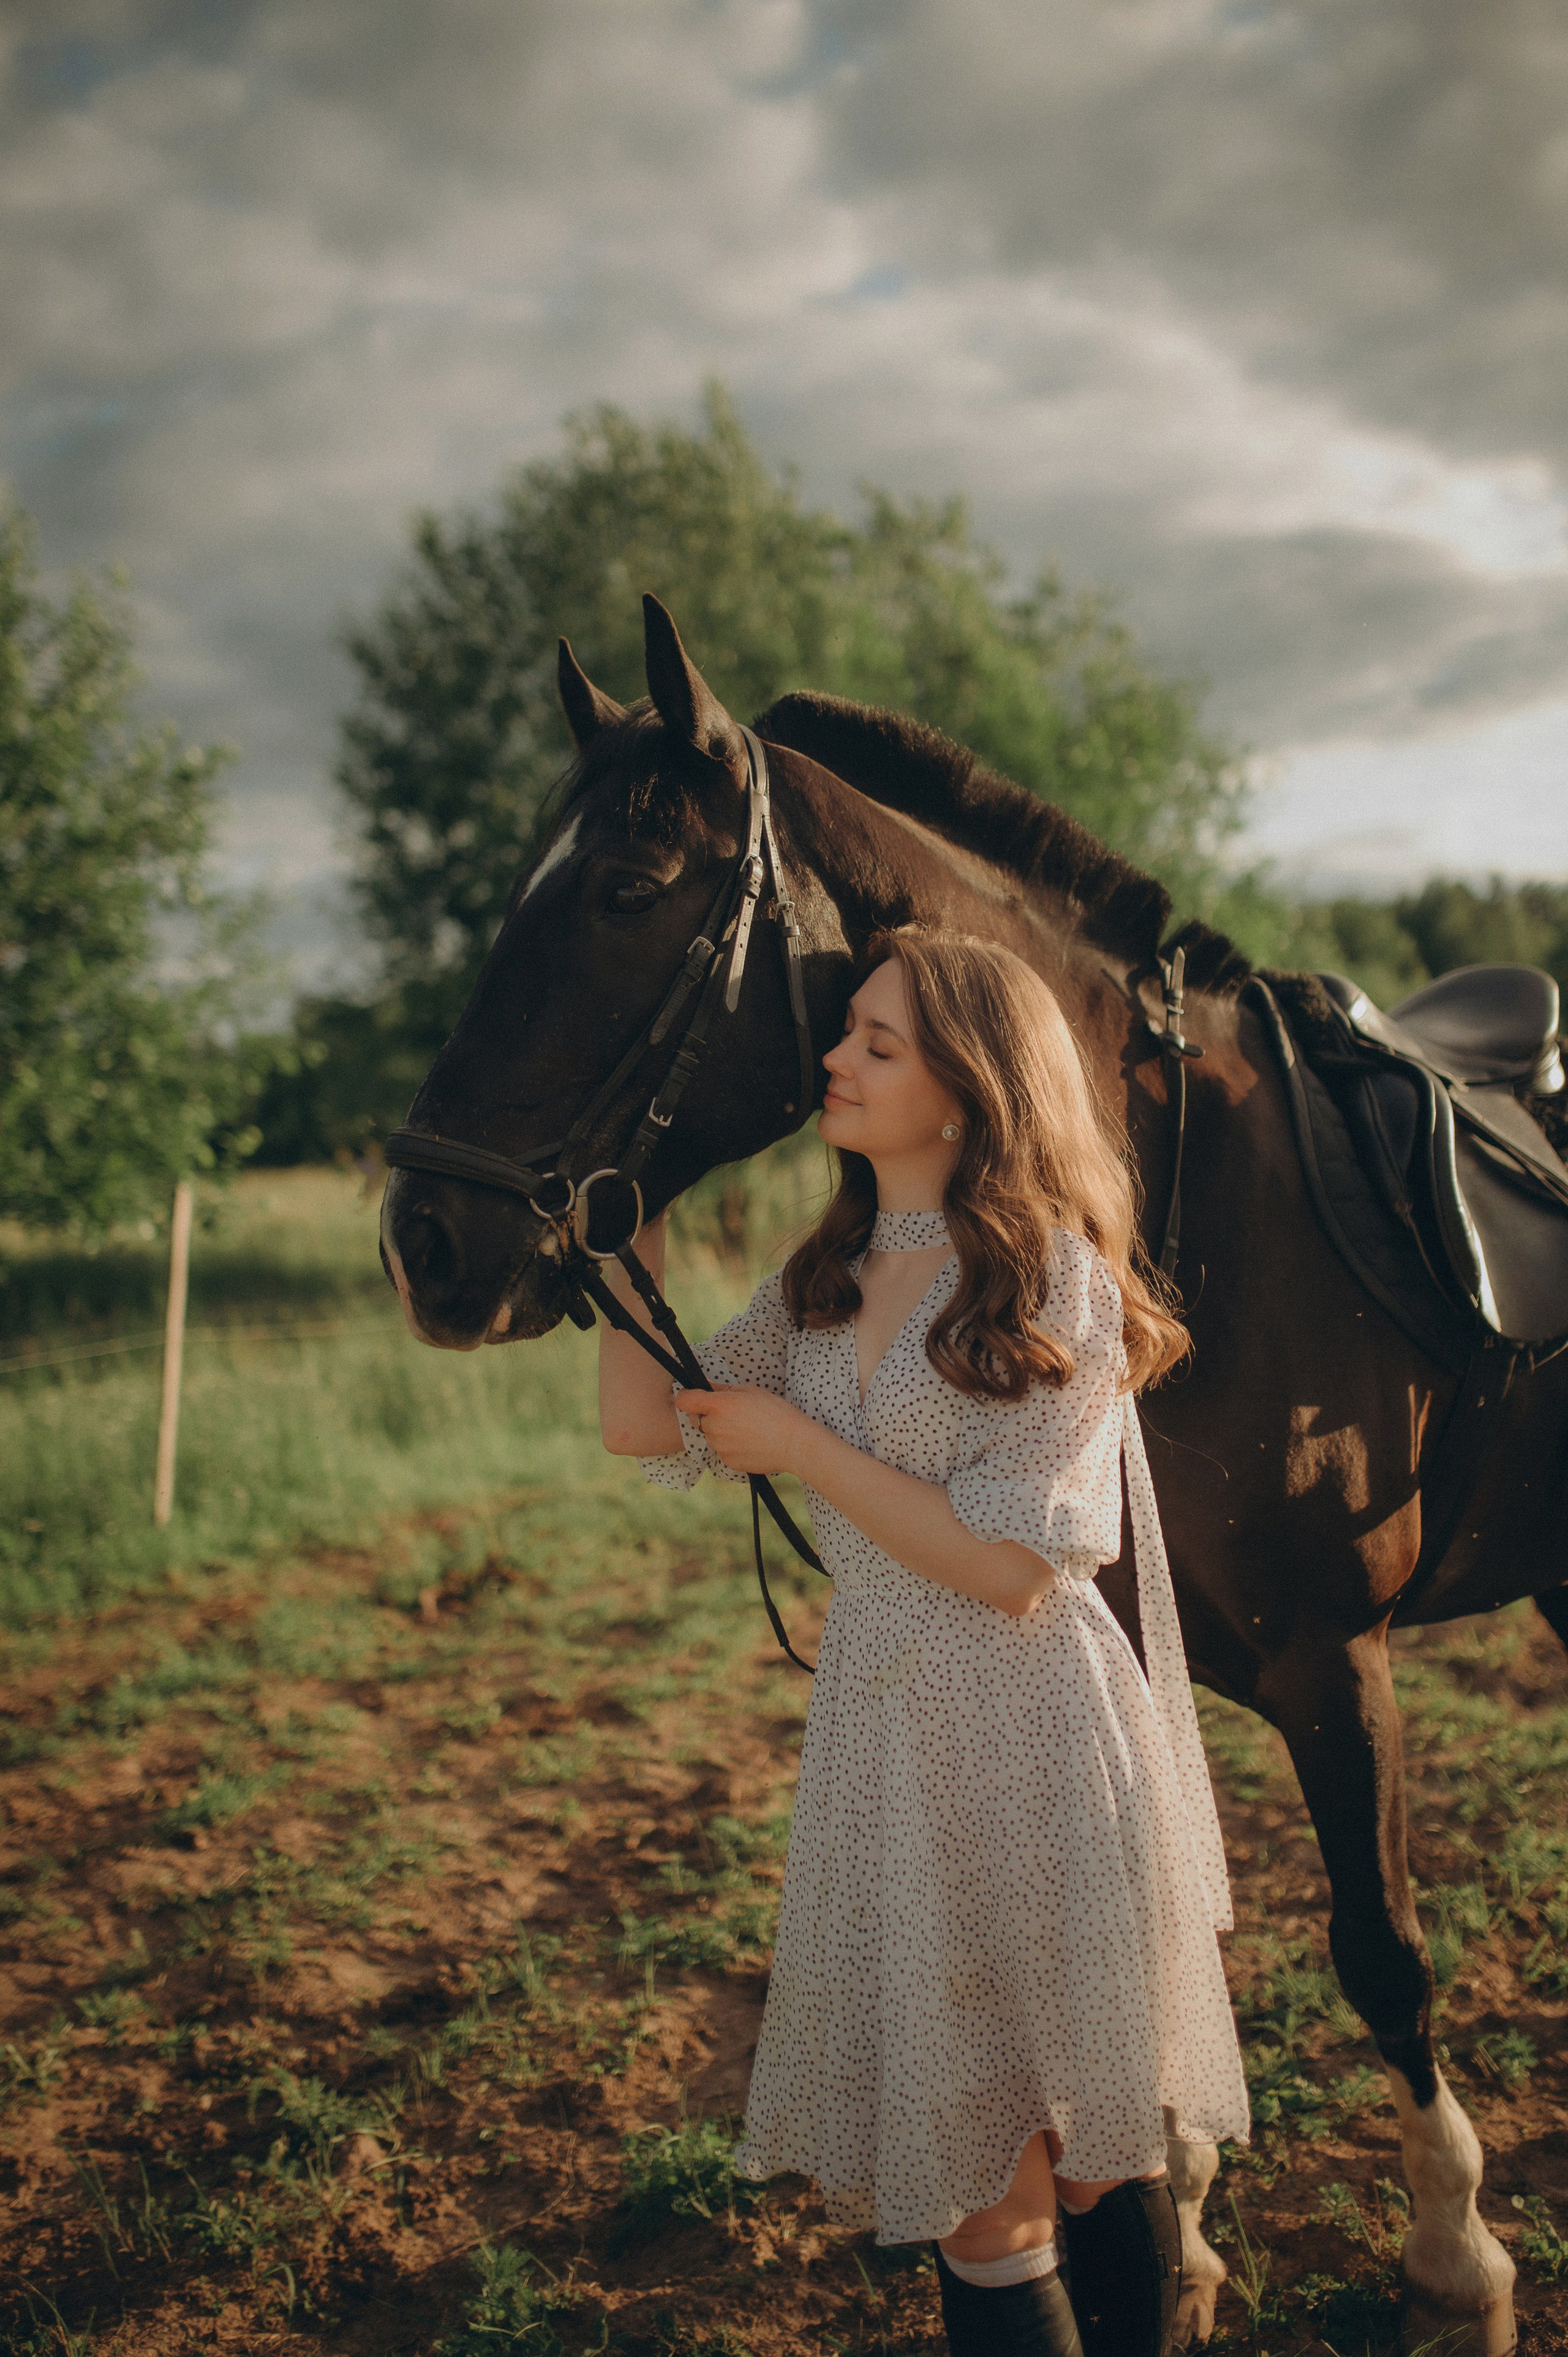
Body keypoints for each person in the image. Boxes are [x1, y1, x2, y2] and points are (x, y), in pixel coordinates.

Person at [598, 929, 1249, 2357]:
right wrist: (629, 1221)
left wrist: (796, 1445)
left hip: (1035, 1742)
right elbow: (646, 1422)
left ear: (966, 1087)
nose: (834, 1058)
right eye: (847, 1034)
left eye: (876, 1044)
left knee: (1089, 2149)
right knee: (974, 2182)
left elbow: (1014, 1567)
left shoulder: (1048, 1280)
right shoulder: (822, 1279)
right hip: (886, 1746)